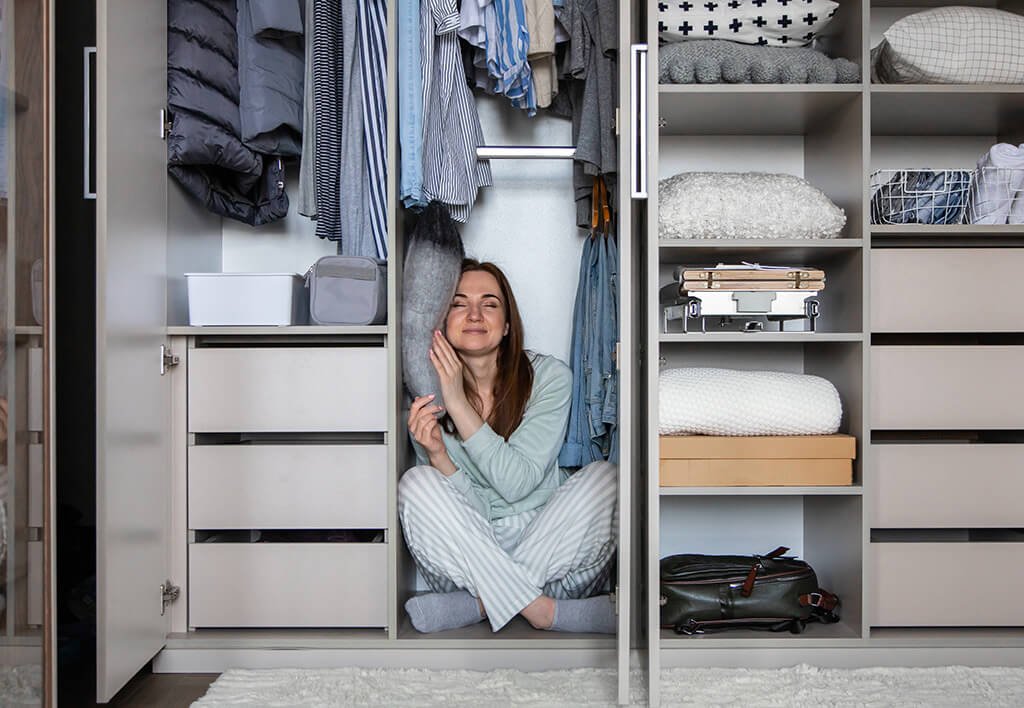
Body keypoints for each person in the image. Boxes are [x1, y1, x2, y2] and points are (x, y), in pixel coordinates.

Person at [399, 259, 618, 634]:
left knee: (607, 477)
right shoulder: (428, 395)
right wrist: (437, 455)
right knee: (416, 483)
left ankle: (485, 605)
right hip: (470, 562)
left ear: (507, 326)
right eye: (458, 303)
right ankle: (540, 610)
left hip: (554, 557)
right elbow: (472, 513)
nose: (474, 314)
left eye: (489, 303)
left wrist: (458, 404)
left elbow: (517, 483)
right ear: (442, 322)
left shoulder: (550, 378)